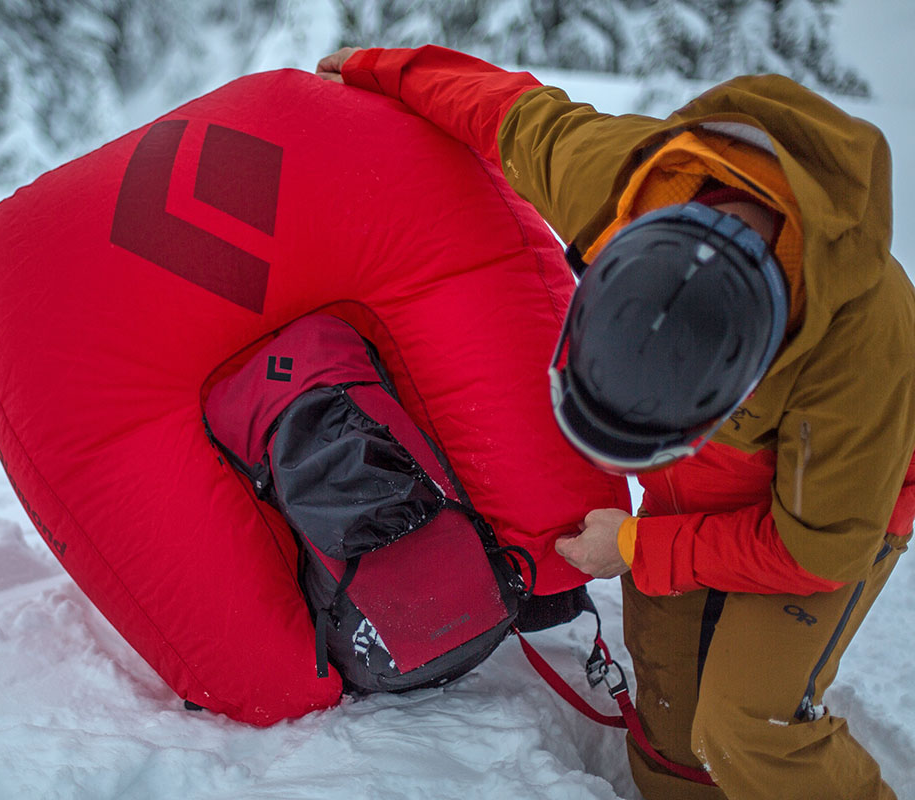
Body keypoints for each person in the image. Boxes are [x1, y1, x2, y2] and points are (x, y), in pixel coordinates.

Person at [316, 45, 915, 800]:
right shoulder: (625, 182)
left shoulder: (858, 357)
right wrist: (373, 69)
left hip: (827, 512)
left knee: (744, 724)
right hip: (693, 493)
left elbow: (815, 551)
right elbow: (510, 111)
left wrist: (636, 544)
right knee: (670, 716)